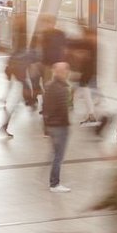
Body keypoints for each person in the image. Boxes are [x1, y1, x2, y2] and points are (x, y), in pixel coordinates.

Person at [44, 62, 71, 193]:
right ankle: (54, 183)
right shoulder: (62, 89)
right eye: (65, 71)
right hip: (60, 126)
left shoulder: (48, 86)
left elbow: (44, 108)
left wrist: (45, 126)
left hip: (51, 125)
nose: (67, 73)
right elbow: (63, 109)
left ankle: (53, 181)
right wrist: (66, 124)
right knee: (58, 156)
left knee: (55, 154)